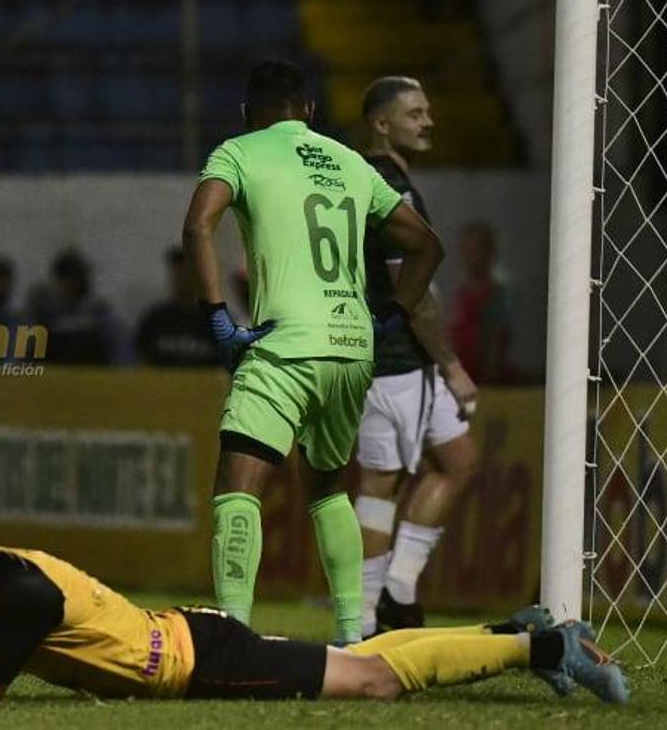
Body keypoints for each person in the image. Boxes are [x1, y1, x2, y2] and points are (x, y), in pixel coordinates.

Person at [0, 478, 628, 704]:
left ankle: (544, 646)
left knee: (373, 682)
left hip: (195, 661)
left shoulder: (22, 591)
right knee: (361, 657)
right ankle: (510, 630)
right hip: (186, 642)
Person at [182, 60, 443, 645]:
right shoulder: (351, 161)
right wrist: (392, 318)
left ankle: (232, 635)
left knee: (238, 485)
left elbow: (199, 227)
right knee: (326, 490)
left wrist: (218, 318)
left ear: (249, 114)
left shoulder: (239, 152)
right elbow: (426, 246)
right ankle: (353, 633)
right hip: (352, 350)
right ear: (310, 112)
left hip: (285, 345)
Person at [352, 76, 481, 635]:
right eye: (415, 113)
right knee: (380, 487)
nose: (428, 121)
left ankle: (398, 590)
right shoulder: (388, 188)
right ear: (382, 124)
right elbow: (411, 288)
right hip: (392, 360)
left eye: (428, 110)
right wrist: (452, 365)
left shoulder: (380, 179)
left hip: (407, 361)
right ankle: (362, 616)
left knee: (459, 462)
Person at [31, 247, 130, 365]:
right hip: (52, 376)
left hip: (91, 376)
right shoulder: (45, 312)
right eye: (66, 278)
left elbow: (121, 353)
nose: (71, 283)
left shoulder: (99, 312)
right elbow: (29, 350)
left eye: (76, 278)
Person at [449, 221, 514, 384]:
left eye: (474, 251)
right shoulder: (462, 291)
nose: (468, 257)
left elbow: (496, 341)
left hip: (482, 379)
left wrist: (488, 380)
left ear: (489, 253)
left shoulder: (495, 294)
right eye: (466, 250)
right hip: (461, 375)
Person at [135, 246, 218, 367]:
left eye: (186, 272)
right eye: (177, 272)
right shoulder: (155, 320)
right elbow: (140, 360)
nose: (181, 278)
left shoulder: (215, 320)